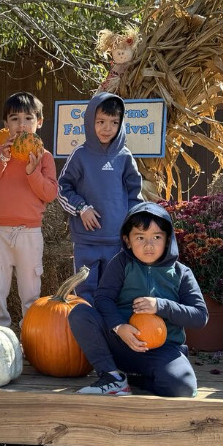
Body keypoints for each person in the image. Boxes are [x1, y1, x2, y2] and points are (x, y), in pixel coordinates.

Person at [70, 202, 207, 396]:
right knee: (80, 313)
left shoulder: (181, 273)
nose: (148, 245)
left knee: (183, 387)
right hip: (121, 343)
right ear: (127, 240)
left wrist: (161, 306)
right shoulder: (121, 263)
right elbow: (103, 299)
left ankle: (135, 381)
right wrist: (119, 327)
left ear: (168, 239)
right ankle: (112, 376)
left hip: (162, 350)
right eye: (140, 237)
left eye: (157, 237)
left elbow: (200, 316)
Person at [0, 92, 58, 327]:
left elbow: (50, 194)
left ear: (39, 123)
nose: (21, 125)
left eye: (28, 119)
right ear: (6, 125)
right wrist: (2, 161)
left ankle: (31, 334)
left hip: (29, 233)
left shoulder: (44, 157)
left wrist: (32, 172)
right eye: (14, 119)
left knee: (30, 288)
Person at [57, 92, 143, 303]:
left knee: (113, 292)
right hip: (86, 241)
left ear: (121, 123)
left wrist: (134, 228)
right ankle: (87, 330)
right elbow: (62, 188)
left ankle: (109, 332)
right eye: (101, 122)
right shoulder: (80, 155)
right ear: (90, 122)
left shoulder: (124, 156)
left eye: (114, 122)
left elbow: (134, 195)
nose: (107, 128)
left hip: (116, 241)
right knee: (85, 292)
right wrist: (82, 208)